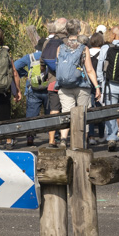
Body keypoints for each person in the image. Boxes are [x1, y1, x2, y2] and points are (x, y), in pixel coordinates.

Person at [53, 20, 100, 117]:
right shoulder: (83, 48)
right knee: (82, 115)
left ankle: (64, 132)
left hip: (64, 86)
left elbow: (58, 66)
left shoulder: (60, 48)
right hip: (81, 85)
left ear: (66, 31)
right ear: (79, 31)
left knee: (66, 115)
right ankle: (82, 132)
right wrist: (97, 87)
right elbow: (89, 70)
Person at [14, 37, 49, 147]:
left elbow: (14, 66)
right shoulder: (52, 56)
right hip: (48, 88)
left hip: (32, 88)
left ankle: (30, 136)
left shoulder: (30, 57)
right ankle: (54, 137)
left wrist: (26, 74)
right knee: (51, 113)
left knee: (32, 114)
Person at [40, 18, 68, 146]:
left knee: (54, 110)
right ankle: (65, 139)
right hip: (68, 82)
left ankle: (51, 140)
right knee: (67, 111)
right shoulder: (68, 42)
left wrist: (45, 73)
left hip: (52, 81)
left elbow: (42, 62)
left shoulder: (47, 42)